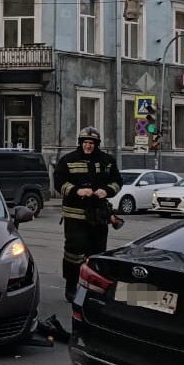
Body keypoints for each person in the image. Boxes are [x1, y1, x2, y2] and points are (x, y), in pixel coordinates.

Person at [54, 126, 122, 302]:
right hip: (75, 215)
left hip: (99, 215)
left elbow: (117, 181)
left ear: (96, 144)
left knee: (98, 252)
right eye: (85, 142)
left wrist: (107, 191)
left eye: (92, 143)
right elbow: (58, 182)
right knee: (74, 252)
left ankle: (95, 288)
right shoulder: (68, 160)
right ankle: (71, 285)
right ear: (80, 143)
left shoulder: (107, 161)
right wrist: (77, 191)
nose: (88, 146)